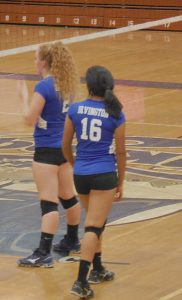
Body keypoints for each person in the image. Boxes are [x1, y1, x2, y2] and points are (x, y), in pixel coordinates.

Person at [62, 65, 126, 298]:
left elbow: (65, 145)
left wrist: (74, 165)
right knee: (93, 226)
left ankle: (98, 268)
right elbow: (121, 152)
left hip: (82, 174)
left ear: (88, 86)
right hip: (104, 174)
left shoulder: (76, 109)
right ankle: (81, 281)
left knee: (95, 222)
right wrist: (121, 181)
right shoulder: (115, 112)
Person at [16, 41, 81, 268]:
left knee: (49, 203)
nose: (34, 62)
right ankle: (72, 240)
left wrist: (23, 98)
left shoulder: (43, 87)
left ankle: (43, 253)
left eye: (35, 58)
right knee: (68, 196)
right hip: (63, 148)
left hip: (45, 151)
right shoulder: (68, 84)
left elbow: (29, 119)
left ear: (44, 62)